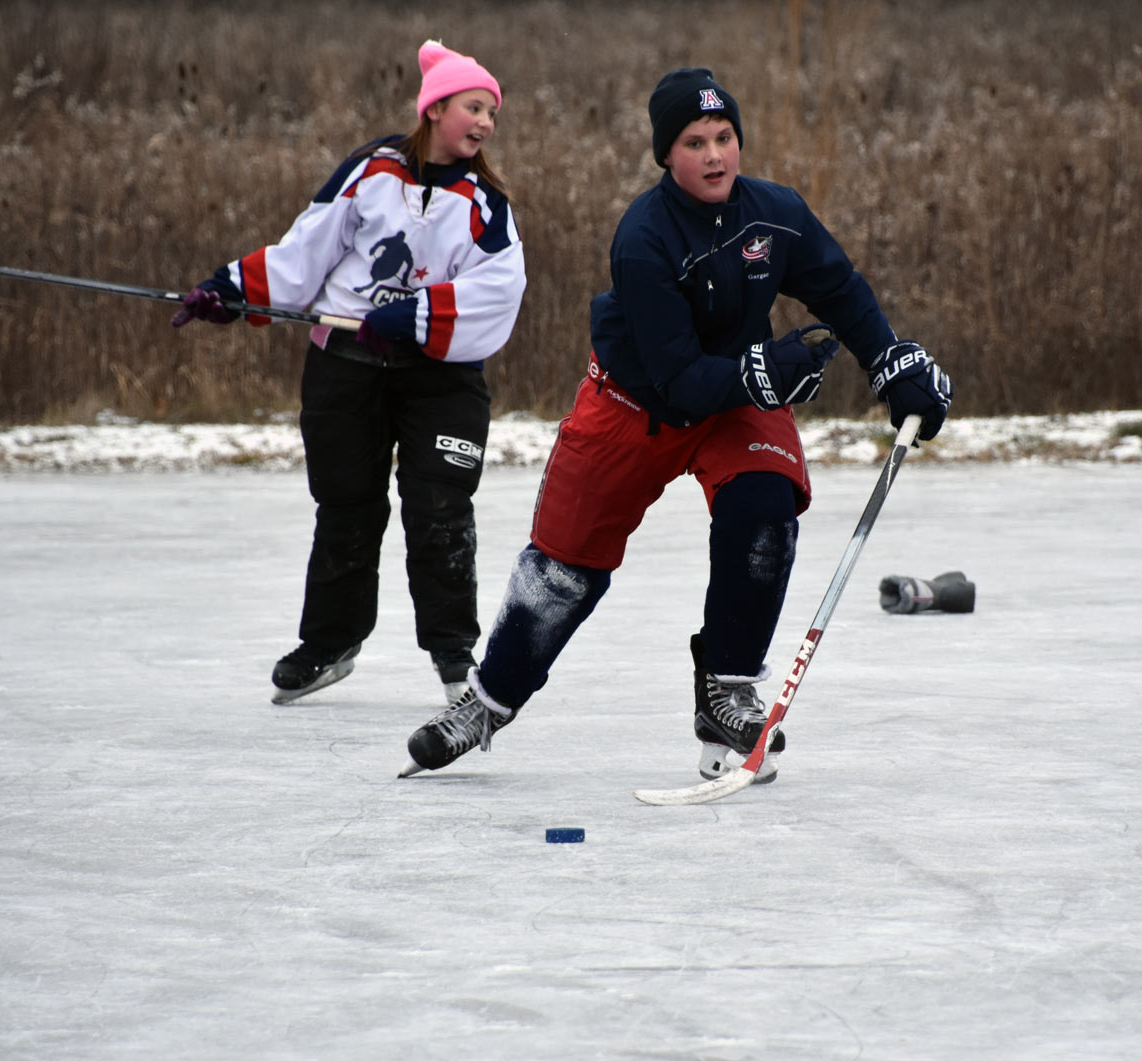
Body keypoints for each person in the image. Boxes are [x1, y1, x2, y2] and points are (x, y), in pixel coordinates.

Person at [399, 67, 951, 780]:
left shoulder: (775, 212)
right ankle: (486, 701)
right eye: (695, 142)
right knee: (561, 574)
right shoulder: (644, 238)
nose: (715, 155)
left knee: (764, 510)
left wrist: (892, 365)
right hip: (635, 405)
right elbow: (677, 380)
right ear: (666, 154)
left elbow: (838, 290)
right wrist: (771, 369)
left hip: (736, 401)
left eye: (725, 137)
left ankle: (724, 690)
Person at [173, 40, 525, 706]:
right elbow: (307, 250)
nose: (484, 123)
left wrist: (414, 318)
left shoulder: (486, 203)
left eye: (491, 113)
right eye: (473, 107)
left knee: (440, 513)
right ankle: (330, 644)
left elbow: (499, 289)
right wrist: (229, 289)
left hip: (439, 383)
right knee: (346, 510)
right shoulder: (372, 171)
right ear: (435, 108)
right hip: (345, 370)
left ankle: (455, 657)